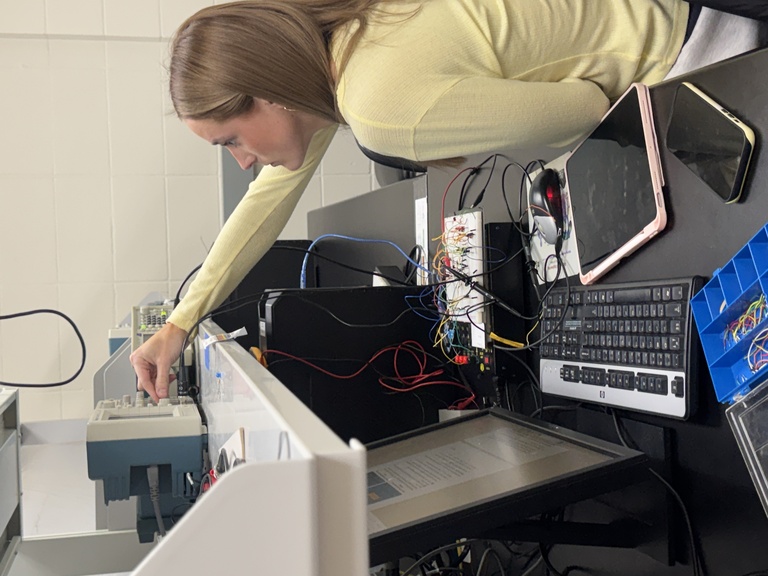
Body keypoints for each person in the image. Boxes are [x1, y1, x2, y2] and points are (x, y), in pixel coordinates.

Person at [130, 0, 767, 402]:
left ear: (267, 94)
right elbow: (268, 201)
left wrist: (460, 149)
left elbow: (587, 112)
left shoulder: (378, 109)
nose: (242, 162)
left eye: (232, 140)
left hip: (697, 62)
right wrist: (180, 323)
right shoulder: (346, 37)